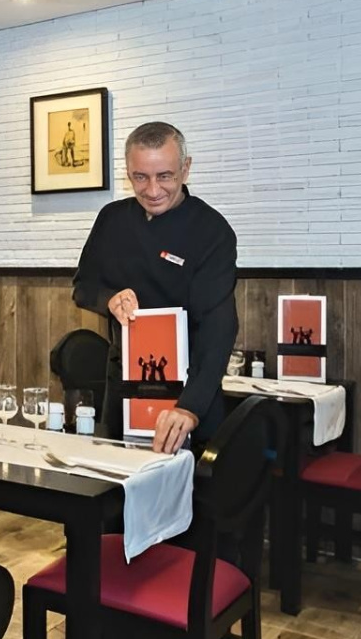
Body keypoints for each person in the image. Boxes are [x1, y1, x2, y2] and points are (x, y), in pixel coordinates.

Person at [72, 122, 238, 454]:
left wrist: (190, 407)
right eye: (141, 177)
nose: (152, 190)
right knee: (118, 479)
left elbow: (219, 328)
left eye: (164, 176)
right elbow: (83, 287)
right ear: (128, 173)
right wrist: (109, 299)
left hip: (190, 386)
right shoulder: (112, 219)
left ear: (185, 169)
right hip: (124, 384)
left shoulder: (212, 231)